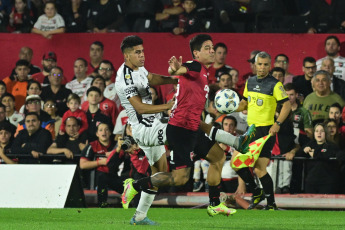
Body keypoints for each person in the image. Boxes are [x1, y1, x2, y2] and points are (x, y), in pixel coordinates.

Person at [119, 35, 253, 222]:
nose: (212, 51)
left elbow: (181, 74)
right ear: (197, 53)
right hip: (180, 130)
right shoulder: (196, 66)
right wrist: (176, 68)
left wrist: (176, 71)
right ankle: (135, 185)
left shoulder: (204, 73)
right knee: (180, 179)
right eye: (207, 48)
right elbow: (183, 68)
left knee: (218, 157)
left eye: (212, 47)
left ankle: (214, 204)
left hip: (191, 129)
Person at [233, 51, 291, 210]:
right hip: (251, 129)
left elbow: (286, 106)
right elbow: (244, 104)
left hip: (265, 131)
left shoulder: (275, 84)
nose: (262, 67)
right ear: (254, 65)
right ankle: (270, 203)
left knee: (236, 162)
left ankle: (257, 191)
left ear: (270, 66)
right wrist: (229, 107)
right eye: (260, 64)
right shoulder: (249, 82)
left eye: (266, 64)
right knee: (259, 169)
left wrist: (277, 123)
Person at [81, 122, 124, 207]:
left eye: (106, 130)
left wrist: (114, 153)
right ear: (97, 134)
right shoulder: (92, 146)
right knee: (102, 177)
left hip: (117, 179)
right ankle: (102, 204)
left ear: (110, 132)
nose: (104, 132)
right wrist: (100, 162)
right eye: (101, 130)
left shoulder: (117, 145)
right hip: (98, 181)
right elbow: (82, 164)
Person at [297, 123, 341, 194]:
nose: (319, 133)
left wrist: (314, 154)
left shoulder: (331, 146)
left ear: (326, 133)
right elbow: (299, 154)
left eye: (322, 131)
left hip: (327, 183)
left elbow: (327, 154)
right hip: (311, 182)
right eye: (316, 131)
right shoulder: (310, 144)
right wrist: (304, 150)